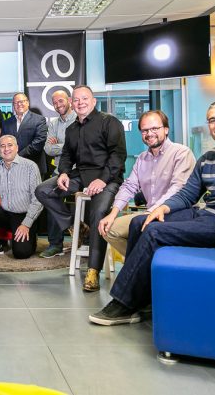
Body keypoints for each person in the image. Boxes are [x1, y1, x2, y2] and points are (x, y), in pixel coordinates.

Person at [90, 100, 215, 326]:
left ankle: (124, 303)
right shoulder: (208, 159)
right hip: (206, 215)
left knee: (154, 232)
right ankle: (143, 298)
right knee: (140, 222)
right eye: (213, 120)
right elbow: (187, 194)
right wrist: (162, 208)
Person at [35, 85, 127, 291]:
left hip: (108, 177)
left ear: (93, 101)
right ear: (72, 103)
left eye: (84, 99)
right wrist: (64, 173)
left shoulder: (109, 122)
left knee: (98, 214)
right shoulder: (71, 129)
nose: (80, 103)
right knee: (43, 190)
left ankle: (93, 271)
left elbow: (118, 156)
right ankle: (76, 226)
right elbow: (67, 156)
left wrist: (102, 180)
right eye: (76, 100)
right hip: (81, 175)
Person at [97, 110, 195, 256]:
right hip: (148, 214)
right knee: (109, 229)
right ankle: (142, 261)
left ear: (166, 129)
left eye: (154, 128)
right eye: (145, 130)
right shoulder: (142, 159)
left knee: (143, 229)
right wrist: (113, 213)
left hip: (174, 214)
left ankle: (143, 262)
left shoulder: (181, 153)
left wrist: (153, 211)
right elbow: (129, 186)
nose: (149, 134)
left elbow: (177, 189)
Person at [0, 135, 43, 259]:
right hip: (5, 214)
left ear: (17, 148)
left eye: (10, 145)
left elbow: (38, 199)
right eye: (2, 146)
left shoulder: (30, 167)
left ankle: (31, 237)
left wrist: (26, 224)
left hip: (24, 216)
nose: (6, 149)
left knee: (21, 253)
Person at [39, 90, 77, 258]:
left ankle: (85, 237)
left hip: (78, 172)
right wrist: (68, 145)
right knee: (48, 193)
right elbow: (48, 149)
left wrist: (60, 145)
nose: (58, 105)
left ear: (69, 100)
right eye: (54, 103)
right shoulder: (54, 124)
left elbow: (79, 147)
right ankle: (55, 244)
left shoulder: (79, 119)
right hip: (59, 171)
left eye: (60, 101)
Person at [1, 93, 48, 175]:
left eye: (22, 101)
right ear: (13, 105)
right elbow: (3, 142)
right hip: (12, 168)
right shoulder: (6, 123)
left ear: (28, 103)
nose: (19, 104)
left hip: (34, 166)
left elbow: (39, 142)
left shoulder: (39, 119)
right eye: (16, 102)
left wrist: (17, 156)